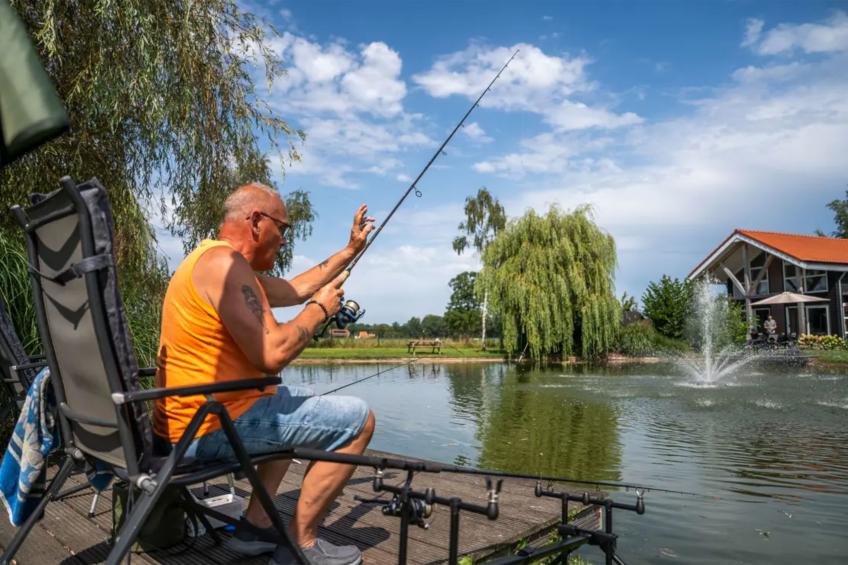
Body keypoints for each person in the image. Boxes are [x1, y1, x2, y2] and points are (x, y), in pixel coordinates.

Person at [153, 182, 376, 565]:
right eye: (283, 228)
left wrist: (351, 251)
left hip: (190, 421)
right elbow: (273, 354)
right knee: (359, 420)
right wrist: (319, 310)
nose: (285, 239)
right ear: (256, 221)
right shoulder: (225, 267)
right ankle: (300, 547)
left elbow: (296, 289)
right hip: (204, 430)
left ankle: (254, 528)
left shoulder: (213, 261)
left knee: (285, 398)